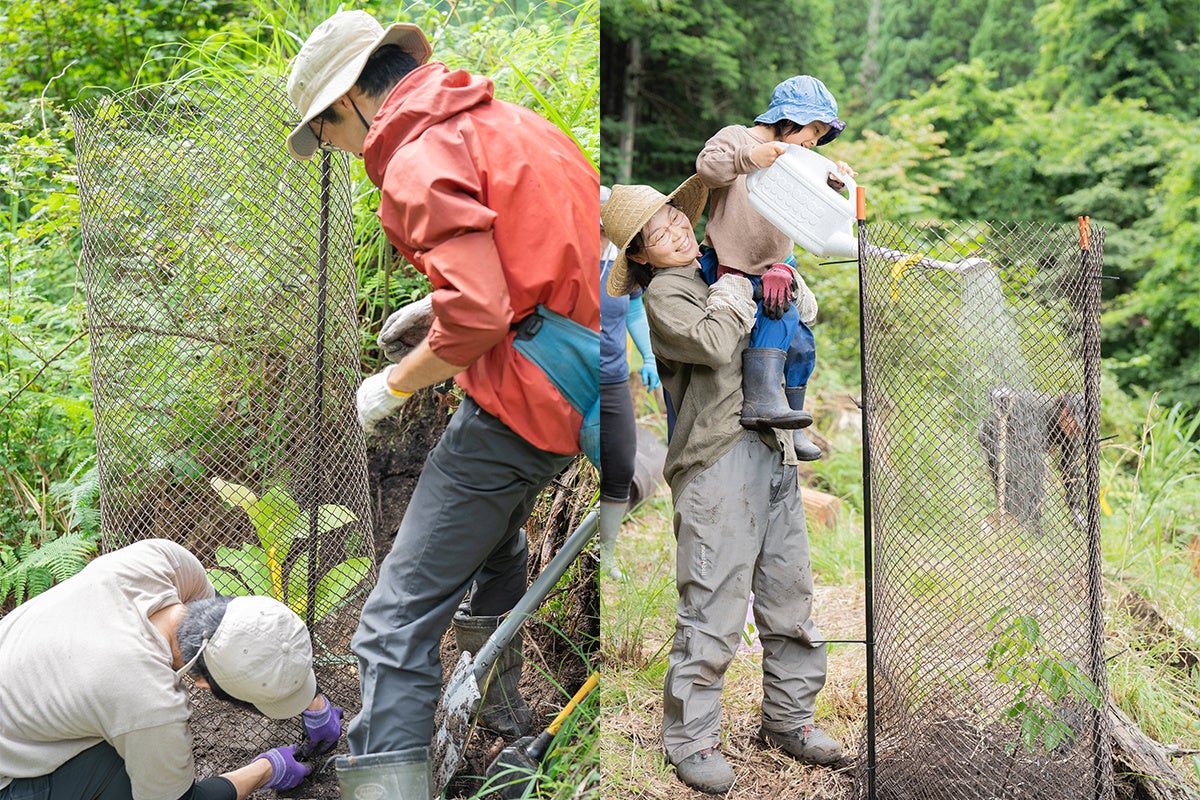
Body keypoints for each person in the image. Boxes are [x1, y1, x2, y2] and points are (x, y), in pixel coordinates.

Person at [285, 10, 599, 796]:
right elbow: (552, 258)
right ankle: (503, 716)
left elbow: (483, 314)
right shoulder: (515, 125)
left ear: (351, 100)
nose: (331, 146)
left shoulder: (415, 159)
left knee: (392, 625)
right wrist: (438, 309)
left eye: (323, 131)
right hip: (586, 392)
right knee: (494, 543)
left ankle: (389, 784)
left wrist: (391, 385)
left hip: (522, 399)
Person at [603, 177, 842, 794]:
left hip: (775, 449)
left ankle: (790, 721)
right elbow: (711, 345)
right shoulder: (667, 297)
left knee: (790, 598)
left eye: (677, 220)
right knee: (712, 610)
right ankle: (692, 739)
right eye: (659, 233)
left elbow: (793, 317)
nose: (678, 232)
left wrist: (781, 282)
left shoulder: (720, 265)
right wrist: (739, 286)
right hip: (716, 460)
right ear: (640, 255)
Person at [0, 539, 341, 800]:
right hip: (8, 779)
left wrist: (310, 700)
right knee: (126, 773)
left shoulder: (162, 561)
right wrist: (267, 769)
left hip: (22, 690)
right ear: (204, 685)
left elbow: (239, 637)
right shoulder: (147, 700)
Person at [695, 74, 856, 461]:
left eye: (820, 135)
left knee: (800, 341)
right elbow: (706, 169)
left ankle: (792, 416)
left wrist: (831, 185)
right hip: (731, 263)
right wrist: (749, 159)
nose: (814, 141)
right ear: (788, 118)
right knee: (756, 325)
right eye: (812, 130)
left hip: (777, 266)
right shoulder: (737, 137)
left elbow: (810, 214)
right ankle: (763, 400)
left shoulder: (802, 158)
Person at [599, 184, 660, 581]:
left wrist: (649, 354)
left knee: (621, 465)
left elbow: (634, 309)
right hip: (571, 378)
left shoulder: (620, 259)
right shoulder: (567, 253)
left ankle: (607, 552)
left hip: (613, 377)